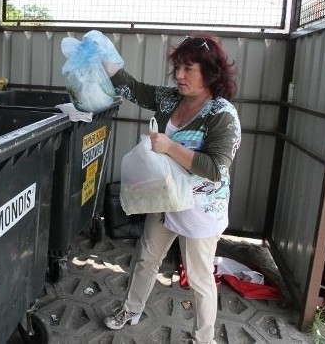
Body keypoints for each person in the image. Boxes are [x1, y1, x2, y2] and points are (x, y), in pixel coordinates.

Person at [102, 33, 242, 344]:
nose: (179, 75)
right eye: (177, 67)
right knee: (146, 257)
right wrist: (106, 62)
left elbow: (216, 169)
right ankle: (131, 310)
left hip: (200, 211)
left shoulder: (222, 115)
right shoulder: (171, 99)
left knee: (200, 278)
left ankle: (203, 338)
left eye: (188, 68)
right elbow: (134, 90)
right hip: (165, 201)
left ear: (210, 72)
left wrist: (169, 147)